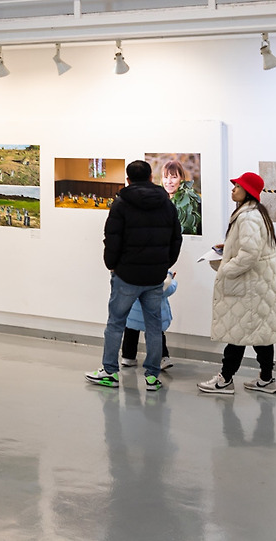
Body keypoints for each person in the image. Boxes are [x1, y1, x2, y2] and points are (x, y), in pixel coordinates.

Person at [85, 159, 183, 391]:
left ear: (128, 180)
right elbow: (176, 238)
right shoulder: (166, 203)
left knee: (115, 324)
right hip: (154, 276)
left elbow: (112, 238)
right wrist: (164, 264)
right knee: (154, 326)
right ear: (151, 178)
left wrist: (112, 265)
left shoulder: (121, 204)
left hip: (126, 275)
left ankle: (110, 372)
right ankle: (152, 377)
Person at [198, 172, 276, 395]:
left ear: (248, 191)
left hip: (250, 286)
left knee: (237, 334)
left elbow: (249, 254)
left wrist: (226, 268)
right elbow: (251, 248)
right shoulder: (256, 213)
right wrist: (228, 247)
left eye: (237, 186)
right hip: (259, 285)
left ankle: (225, 380)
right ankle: (266, 379)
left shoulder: (248, 217)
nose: (233, 189)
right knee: (261, 335)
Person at [121, 270, 177, 369]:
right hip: (153, 312)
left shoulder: (133, 271)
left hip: (134, 313)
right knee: (156, 335)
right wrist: (171, 280)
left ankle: (128, 357)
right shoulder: (159, 273)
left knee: (130, 333)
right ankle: (162, 358)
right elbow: (168, 290)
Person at [161, 159, 202, 235]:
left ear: (182, 179)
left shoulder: (194, 203)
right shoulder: (157, 201)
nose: (169, 181)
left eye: (173, 177)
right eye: (166, 177)